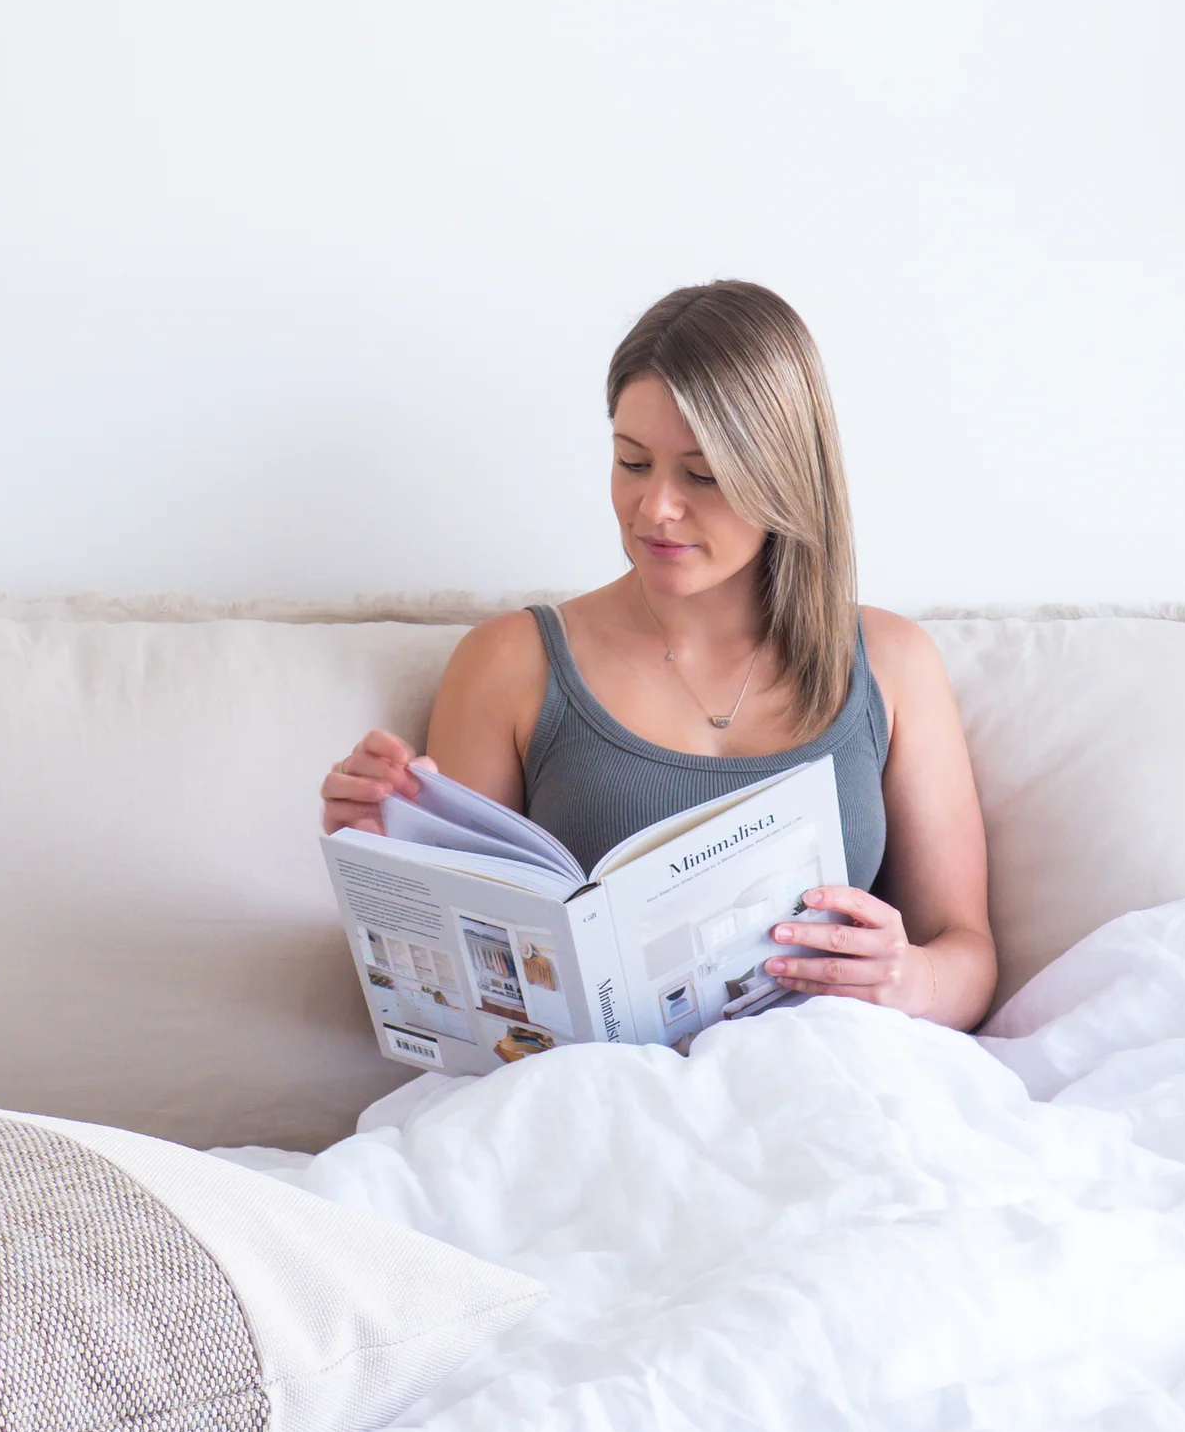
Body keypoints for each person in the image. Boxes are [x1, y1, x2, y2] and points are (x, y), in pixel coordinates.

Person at [321, 280, 997, 1030]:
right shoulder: (510, 664)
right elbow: (470, 998)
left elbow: (967, 955)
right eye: (633, 463)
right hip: (604, 1102)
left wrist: (909, 978)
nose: (657, 509)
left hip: (826, 1085)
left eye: (703, 475)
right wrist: (384, 859)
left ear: (785, 477)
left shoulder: (892, 664)